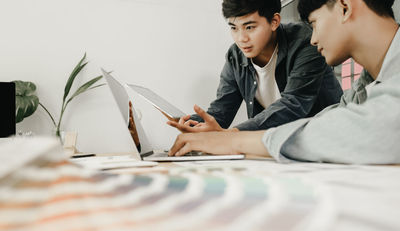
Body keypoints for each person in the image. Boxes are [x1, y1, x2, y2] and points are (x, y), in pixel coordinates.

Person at [169, 0, 400, 164]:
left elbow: (367, 130)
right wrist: (196, 126)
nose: (314, 38)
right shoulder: (367, 84)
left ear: (345, 7)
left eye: (315, 23)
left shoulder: (302, 43)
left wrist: (234, 140)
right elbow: (334, 118)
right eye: (234, 28)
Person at [167, 0, 342, 133]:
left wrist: (233, 135)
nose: (241, 38)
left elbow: (294, 103)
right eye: (234, 28)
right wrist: (194, 123)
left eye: (249, 27)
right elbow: (221, 111)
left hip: (326, 138)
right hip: (276, 147)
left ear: (274, 21)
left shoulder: (305, 42)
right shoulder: (235, 56)